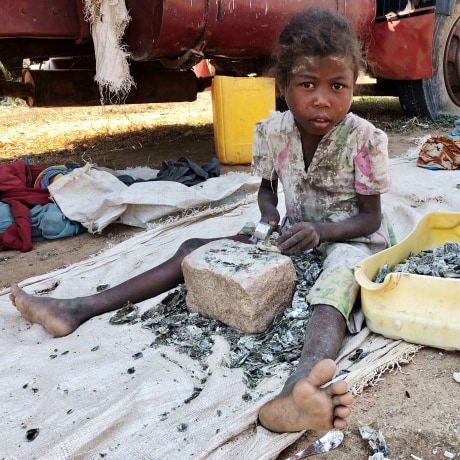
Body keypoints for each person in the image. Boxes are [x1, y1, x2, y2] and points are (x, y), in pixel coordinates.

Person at [9, 8, 392, 434]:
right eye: (307, 85)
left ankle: (297, 390)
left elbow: (369, 218)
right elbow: (267, 188)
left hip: (351, 240)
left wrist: (323, 232)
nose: (323, 99)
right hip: (292, 232)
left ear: (354, 87)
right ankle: (78, 308)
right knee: (196, 249)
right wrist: (269, 215)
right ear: (283, 87)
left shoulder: (365, 139)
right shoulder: (271, 131)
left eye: (338, 86)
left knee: (335, 283)